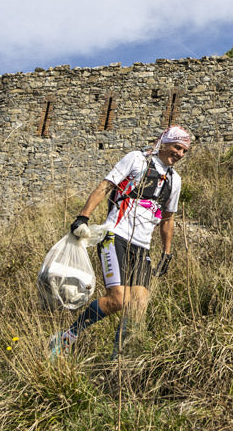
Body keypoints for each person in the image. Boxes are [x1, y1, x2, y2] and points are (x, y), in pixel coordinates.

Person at [49, 126, 190, 358]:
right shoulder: (136, 159)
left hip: (142, 246)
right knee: (119, 299)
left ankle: (122, 360)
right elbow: (105, 186)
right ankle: (66, 337)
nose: (180, 154)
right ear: (164, 143)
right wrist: (83, 216)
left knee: (139, 305)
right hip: (115, 236)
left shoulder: (175, 180)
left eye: (185, 151)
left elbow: (168, 218)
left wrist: (166, 253)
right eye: (177, 147)